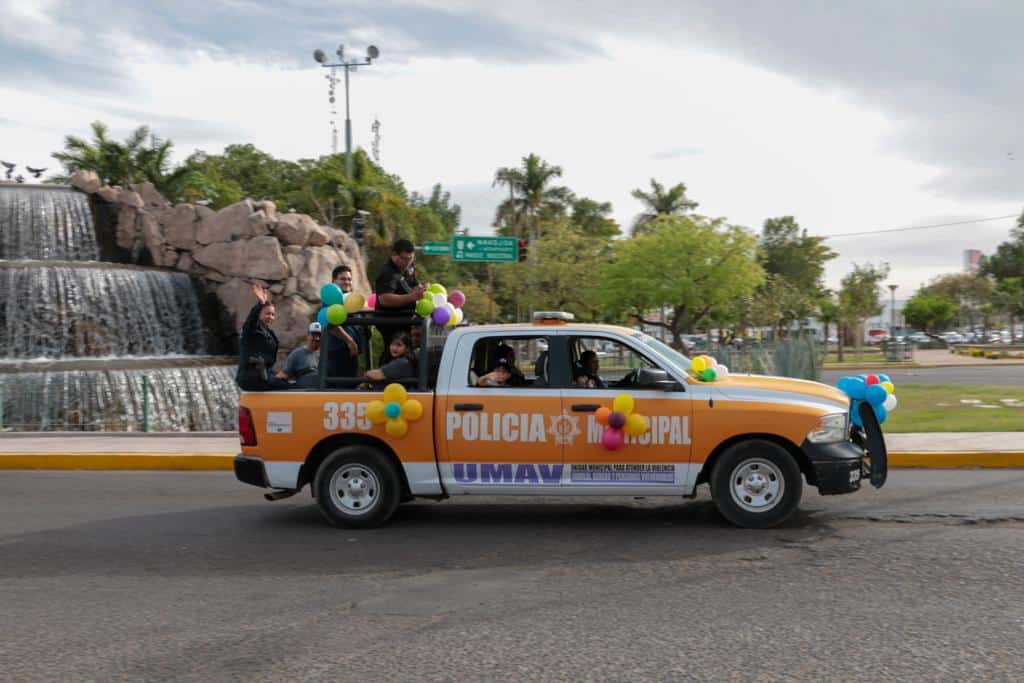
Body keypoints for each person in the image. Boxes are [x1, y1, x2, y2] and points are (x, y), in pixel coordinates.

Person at [374, 239, 426, 361]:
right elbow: (384, 299)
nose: (408, 262)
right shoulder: (387, 272)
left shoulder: (409, 267)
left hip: (405, 319)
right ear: (394, 255)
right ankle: (382, 377)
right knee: (393, 352)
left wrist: (420, 289)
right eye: (405, 259)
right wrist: (411, 297)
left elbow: (414, 283)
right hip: (390, 321)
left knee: (405, 353)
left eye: (411, 258)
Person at [236, 282, 288, 390]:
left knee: (287, 382)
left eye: (273, 314)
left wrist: (276, 374)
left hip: (262, 376)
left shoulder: (268, 332)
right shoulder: (251, 329)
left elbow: (267, 363)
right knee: (292, 388)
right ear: (259, 314)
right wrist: (260, 303)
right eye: (267, 313)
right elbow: (251, 320)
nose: (271, 317)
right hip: (251, 378)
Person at [325, 264, 365, 378]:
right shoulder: (331, 297)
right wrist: (350, 341)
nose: (347, 282)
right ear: (334, 281)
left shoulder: (350, 299)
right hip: (338, 351)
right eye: (342, 279)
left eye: (349, 279)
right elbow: (331, 324)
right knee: (340, 387)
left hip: (352, 352)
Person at [277, 322, 323, 387]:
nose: (316, 338)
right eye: (313, 335)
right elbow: (284, 375)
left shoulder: (324, 355)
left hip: (322, 393)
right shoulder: (296, 354)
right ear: (308, 335)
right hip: (303, 393)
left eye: (319, 335)